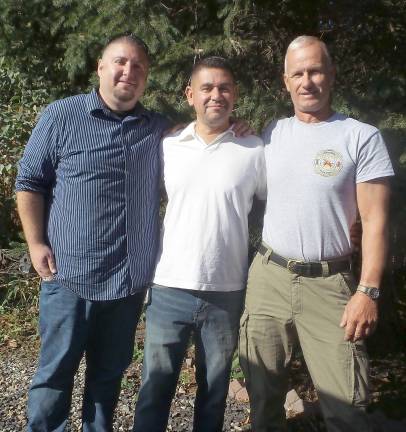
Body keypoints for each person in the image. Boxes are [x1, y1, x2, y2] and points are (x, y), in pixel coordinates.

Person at [15, 34, 171, 431]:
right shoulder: (61, 116)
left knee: (107, 379)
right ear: (100, 67)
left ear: (146, 76)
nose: (128, 72)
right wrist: (35, 243)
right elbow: (29, 182)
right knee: (54, 377)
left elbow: (204, 137)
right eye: (120, 62)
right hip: (68, 276)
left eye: (138, 66)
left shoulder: (158, 129)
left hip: (126, 283)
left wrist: (232, 126)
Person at [239, 36, 394, 432]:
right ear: (285, 81)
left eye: (315, 71)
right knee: (262, 396)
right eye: (298, 73)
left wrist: (368, 290)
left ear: (331, 75)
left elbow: (376, 221)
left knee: (347, 407)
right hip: (268, 277)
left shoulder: (361, 136)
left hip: (330, 286)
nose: (307, 81)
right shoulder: (272, 132)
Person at [132, 56, 266, 432]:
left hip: (225, 292)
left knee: (213, 393)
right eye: (206, 88)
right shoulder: (168, 145)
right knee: (155, 389)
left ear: (235, 95)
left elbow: (280, 203)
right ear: (191, 94)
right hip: (169, 286)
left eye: (224, 87)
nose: (216, 95)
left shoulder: (254, 150)